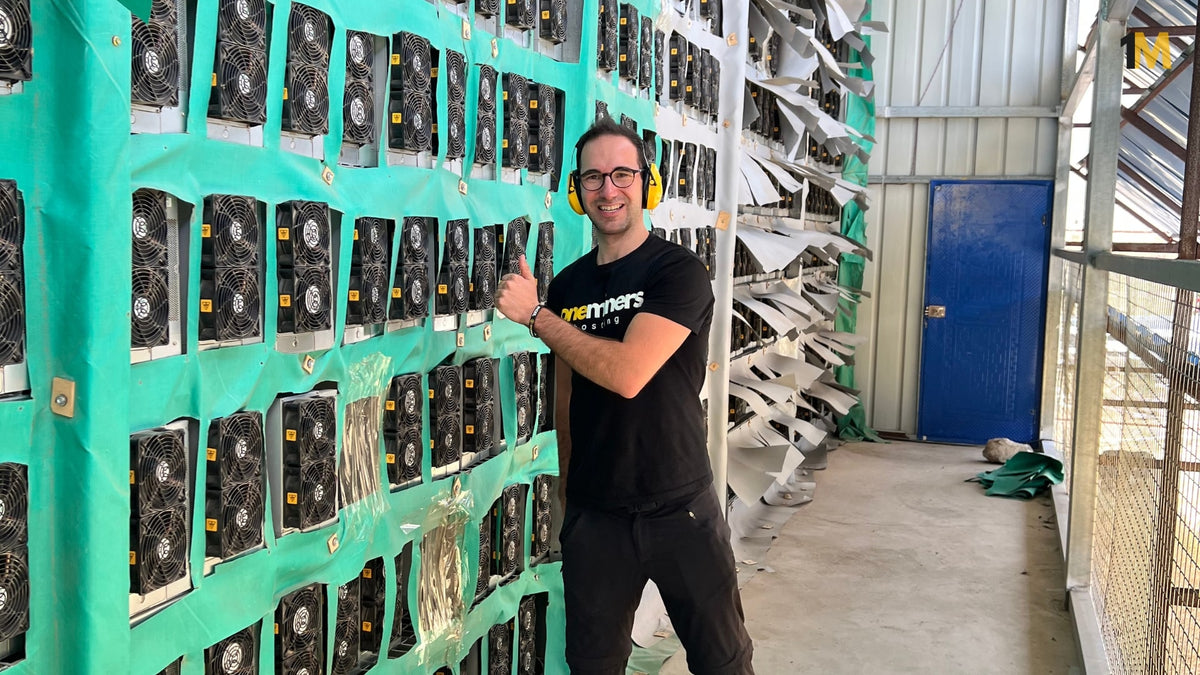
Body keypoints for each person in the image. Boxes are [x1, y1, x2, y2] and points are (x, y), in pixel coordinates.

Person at [496, 118, 754, 675]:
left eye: (621, 174)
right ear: (576, 191)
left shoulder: (678, 273)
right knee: (592, 664)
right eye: (593, 178)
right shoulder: (568, 286)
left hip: (679, 505)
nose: (607, 190)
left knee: (723, 660)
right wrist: (569, 491)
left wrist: (538, 317)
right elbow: (567, 396)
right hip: (597, 514)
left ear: (647, 183)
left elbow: (629, 374)